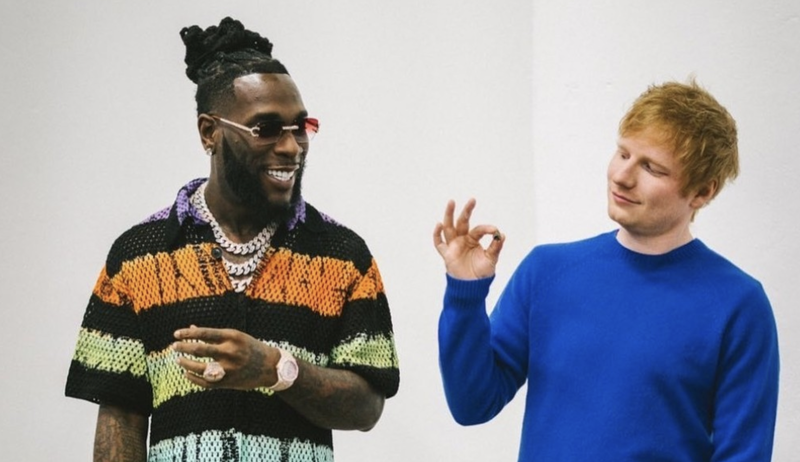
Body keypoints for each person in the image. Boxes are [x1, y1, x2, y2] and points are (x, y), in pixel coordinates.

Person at [65, 17, 399, 462]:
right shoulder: (138, 256)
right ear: (210, 132)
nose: (292, 147)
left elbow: (367, 407)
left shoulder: (342, 255)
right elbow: (120, 417)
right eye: (266, 128)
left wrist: (277, 369)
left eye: (300, 126)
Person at [433, 80, 779, 461]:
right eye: (623, 153)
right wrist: (465, 295)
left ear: (702, 192)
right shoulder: (546, 272)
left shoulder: (738, 306)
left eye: (651, 168)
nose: (622, 176)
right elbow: (471, 404)